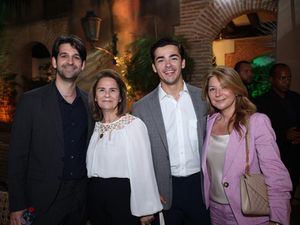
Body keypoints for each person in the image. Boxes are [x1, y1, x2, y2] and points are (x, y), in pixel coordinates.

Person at [8, 35, 93, 225]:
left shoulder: (89, 104)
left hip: (80, 200)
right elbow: (17, 156)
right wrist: (17, 204)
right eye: (64, 56)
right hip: (42, 201)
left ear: (83, 64)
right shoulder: (31, 102)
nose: (70, 61)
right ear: (54, 62)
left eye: (76, 57)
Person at [132, 38, 210, 225]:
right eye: (160, 60)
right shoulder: (140, 108)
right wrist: (148, 192)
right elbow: (138, 157)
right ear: (154, 67)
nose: (168, 65)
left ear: (182, 62)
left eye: (173, 58)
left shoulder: (204, 99)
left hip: (200, 187)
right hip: (163, 192)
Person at [202, 66, 292, 225]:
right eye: (212, 89)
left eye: (224, 87)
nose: (218, 94)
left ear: (237, 89)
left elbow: (275, 172)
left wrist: (277, 218)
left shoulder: (256, 122)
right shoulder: (209, 123)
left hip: (249, 211)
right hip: (215, 211)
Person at [86, 69, 162, 225]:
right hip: (96, 199)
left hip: (123, 198)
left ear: (120, 97)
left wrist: (146, 208)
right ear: (95, 96)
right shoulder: (95, 127)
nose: (107, 95)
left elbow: (143, 169)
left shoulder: (133, 125)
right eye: (102, 90)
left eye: (112, 90)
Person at [255, 63, 300, 197]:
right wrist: (284, 135)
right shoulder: (261, 102)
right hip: (277, 155)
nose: (287, 82)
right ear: (272, 79)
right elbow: (259, 133)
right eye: (282, 78)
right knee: (277, 194)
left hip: (296, 154)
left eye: (289, 78)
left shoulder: (296, 98)